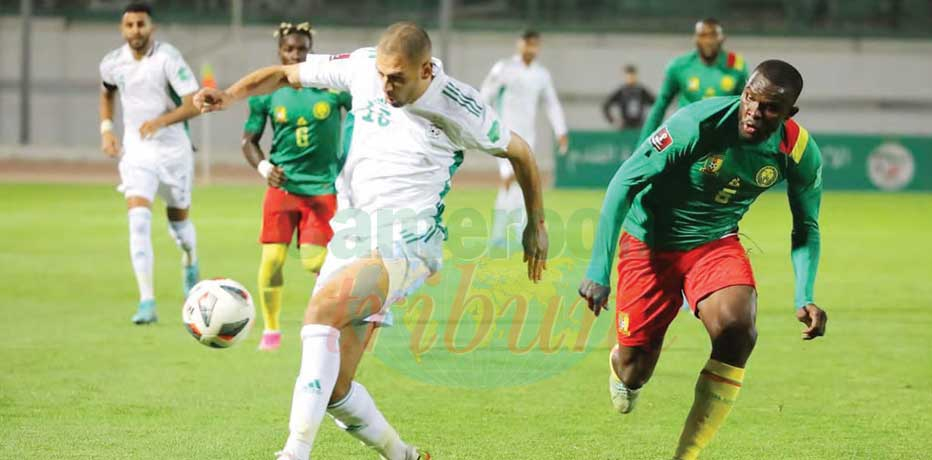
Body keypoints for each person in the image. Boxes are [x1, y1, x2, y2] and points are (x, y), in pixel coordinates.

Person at [194, 22, 548, 460]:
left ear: (425, 71)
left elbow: (522, 153)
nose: (385, 85)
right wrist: (229, 95)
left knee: (320, 310)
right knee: (337, 388)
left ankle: (293, 453)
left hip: (408, 244)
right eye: (382, 74)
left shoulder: (460, 105)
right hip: (351, 233)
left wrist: (537, 223)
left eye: (397, 78)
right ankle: (404, 455)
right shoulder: (364, 67)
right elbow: (286, 74)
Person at [578, 60, 828, 460]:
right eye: (750, 98)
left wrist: (805, 295)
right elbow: (625, 181)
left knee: (738, 331)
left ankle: (686, 454)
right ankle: (622, 361)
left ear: (788, 114)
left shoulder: (798, 152)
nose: (753, 111)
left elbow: (806, 228)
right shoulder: (698, 123)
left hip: (715, 243)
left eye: (768, 107)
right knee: (633, 371)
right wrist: (597, 268)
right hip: (650, 243)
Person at [242, 22, 353, 351]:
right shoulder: (268, 93)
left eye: (301, 49)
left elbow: (363, 115)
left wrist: (348, 160)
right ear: (279, 51)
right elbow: (249, 140)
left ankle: (338, 314)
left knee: (314, 262)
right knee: (272, 260)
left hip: (321, 189)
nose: (295, 54)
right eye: (289, 49)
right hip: (283, 189)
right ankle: (271, 331)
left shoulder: (333, 89)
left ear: (311, 50)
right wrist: (264, 167)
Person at [99, 2, 202, 324]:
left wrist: (161, 122)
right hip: (137, 152)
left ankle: (190, 260)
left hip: (173, 152)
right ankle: (147, 301)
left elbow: (195, 103)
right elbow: (106, 92)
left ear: (151, 28)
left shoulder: (168, 58)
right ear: (122, 29)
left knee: (179, 226)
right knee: (138, 221)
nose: (135, 31)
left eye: (141, 25)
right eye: (129, 26)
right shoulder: (113, 63)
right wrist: (107, 130)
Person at [480, 29, 567, 249]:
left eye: (535, 45)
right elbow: (484, 95)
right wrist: (482, 124)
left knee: (523, 181)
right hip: (503, 134)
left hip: (528, 137)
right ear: (519, 45)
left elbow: (551, 103)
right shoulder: (504, 68)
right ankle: (500, 234)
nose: (531, 49)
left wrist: (561, 130)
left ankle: (513, 232)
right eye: (528, 44)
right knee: (509, 179)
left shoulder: (541, 74)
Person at [638, 18, 749, 141]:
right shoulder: (679, 66)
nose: (708, 41)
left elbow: (746, 107)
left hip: (721, 142)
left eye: (713, 35)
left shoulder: (736, 67)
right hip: (686, 139)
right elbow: (660, 106)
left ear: (722, 38)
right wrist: (642, 145)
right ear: (695, 39)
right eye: (703, 35)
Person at [602, 65, 655, 130]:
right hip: (625, 126)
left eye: (633, 75)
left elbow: (656, 103)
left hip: (639, 126)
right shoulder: (621, 91)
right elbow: (606, 105)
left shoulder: (641, 91)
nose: (631, 77)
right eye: (629, 75)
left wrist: (651, 121)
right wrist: (612, 120)